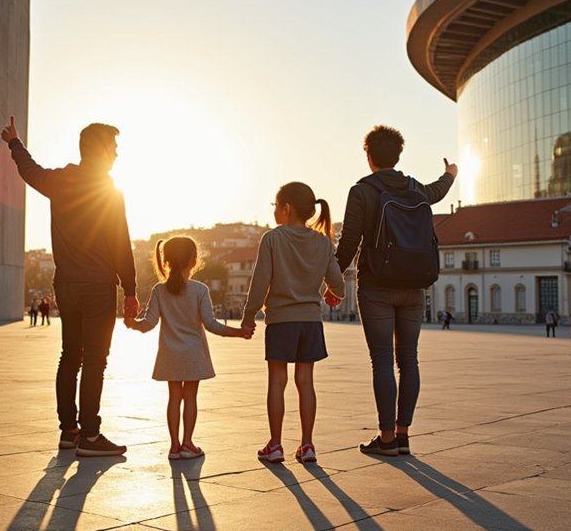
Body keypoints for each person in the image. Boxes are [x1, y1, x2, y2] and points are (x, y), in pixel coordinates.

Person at [1, 116, 138, 457]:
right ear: (101, 150)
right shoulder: (108, 190)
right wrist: (132, 289)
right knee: (95, 361)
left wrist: (14, 143)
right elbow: (121, 243)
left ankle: (69, 431)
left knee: (70, 358)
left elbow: (29, 171)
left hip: (66, 286)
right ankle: (91, 437)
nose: (118, 154)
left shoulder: (60, 180)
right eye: (114, 147)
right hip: (97, 288)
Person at [335, 125, 456, 457]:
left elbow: (348, 242)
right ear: (398, 155)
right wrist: (451, 173)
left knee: (382, 361)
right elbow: (437, 191)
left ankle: (386, 438)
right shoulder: (415, 188)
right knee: (409, 361)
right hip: (414, 285)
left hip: (376, 285)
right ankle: (403, 435)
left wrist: (333, 281)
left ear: (369, 156)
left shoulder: (361, 191)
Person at [242, 182, 345, 464]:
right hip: (310, 322)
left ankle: (275, 445)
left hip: (281, 321)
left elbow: (260, 282)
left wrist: (248, 316)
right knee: (305, 382)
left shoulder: (273, 239)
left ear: (286, 208)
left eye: (275, 205)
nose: (274, 211)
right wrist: (335, 294)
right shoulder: (323, 241)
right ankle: (307, 445)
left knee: (277, 382)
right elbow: (337, 282)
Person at [126, 237, 252, 460]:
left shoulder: (159, 290)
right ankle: (187, 444)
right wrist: (238, 332)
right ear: (193, 262)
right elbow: (212, 325)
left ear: (166, 262)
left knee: (173, 398)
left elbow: (148, 324)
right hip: (193, 354)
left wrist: (132, 323)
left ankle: (174, 446)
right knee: (190, 398)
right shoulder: (200, 290)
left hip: (169, 354)